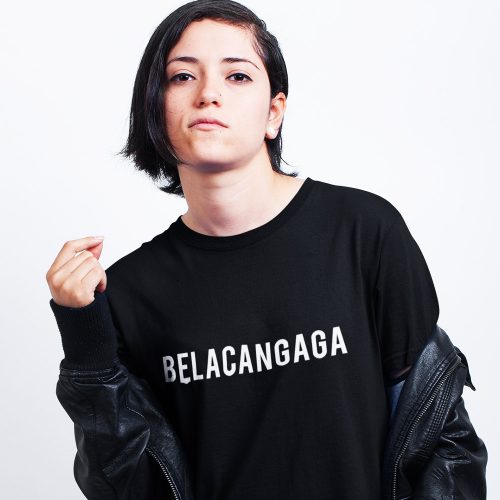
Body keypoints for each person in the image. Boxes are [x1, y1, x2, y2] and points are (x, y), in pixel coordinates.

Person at [45, 1, 486, 499]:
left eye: (237, 76)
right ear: (155, 108)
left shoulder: (364, 231)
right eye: (182, 77)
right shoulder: (129, 291)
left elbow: (441, 443)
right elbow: (126, 487)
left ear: (274, 112)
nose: (209, 94)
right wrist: (86, 345)